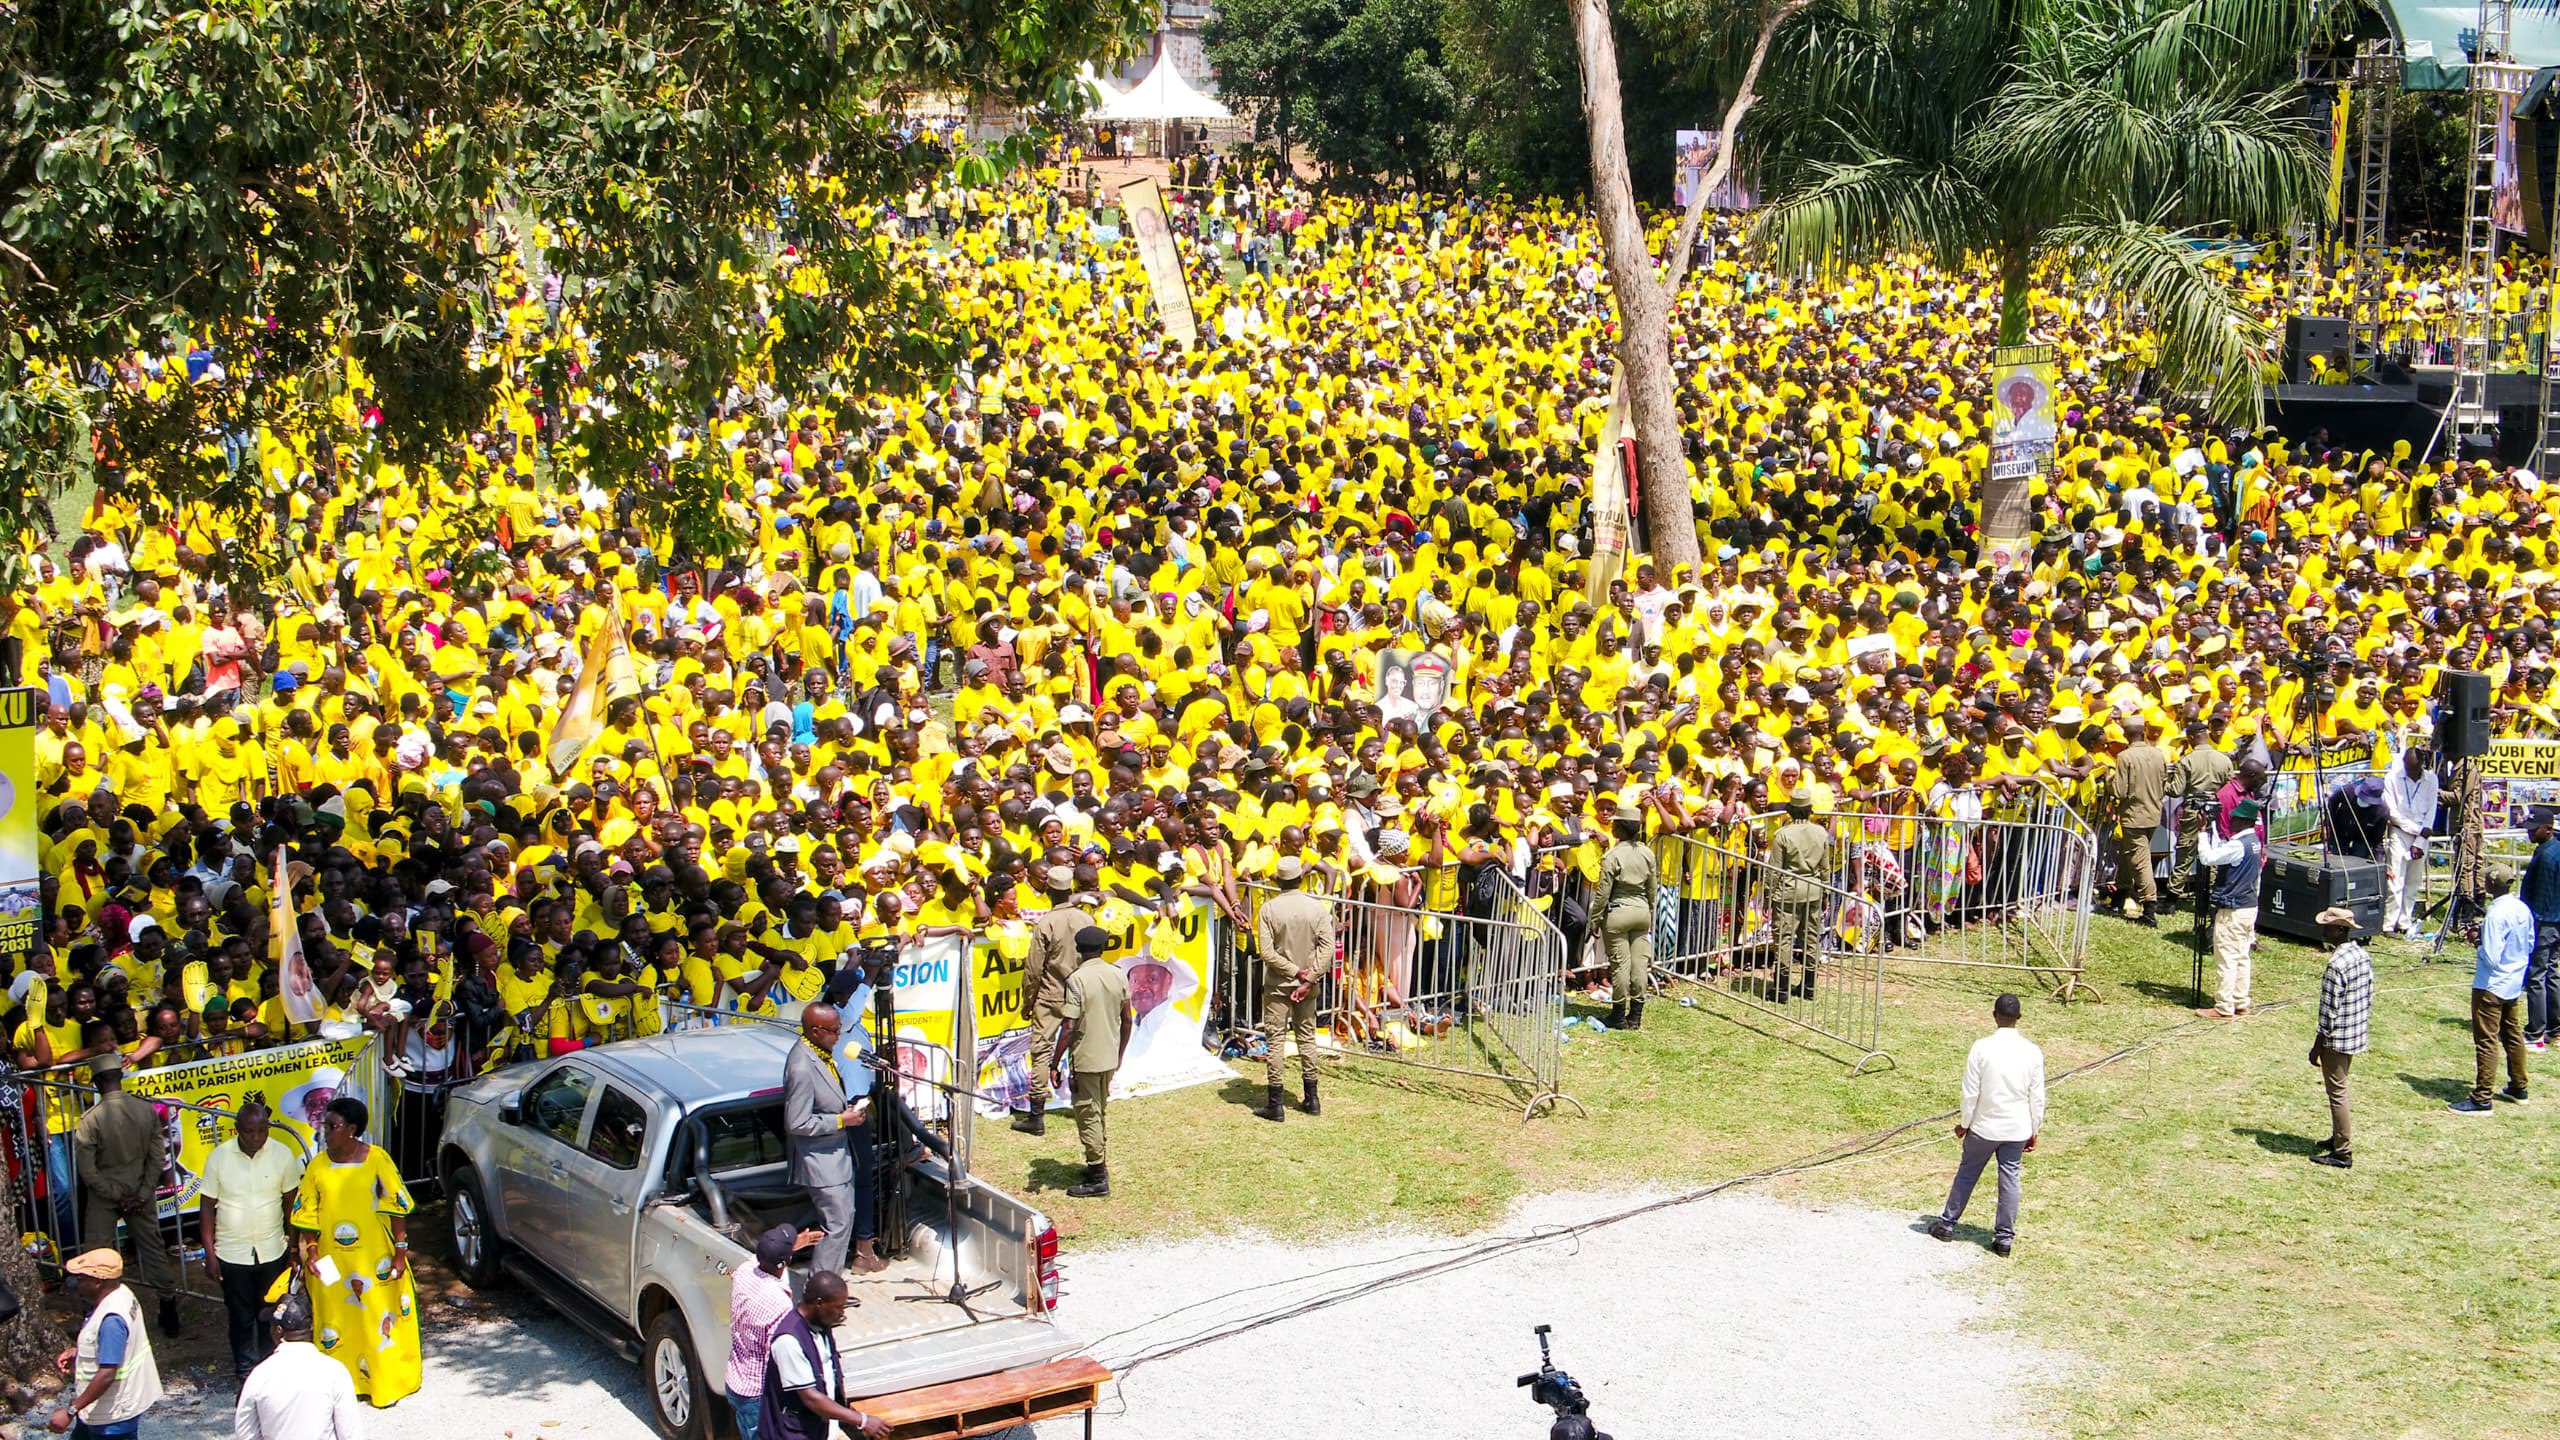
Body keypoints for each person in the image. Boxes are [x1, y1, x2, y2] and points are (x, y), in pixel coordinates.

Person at [288, 1096, 420, 1407]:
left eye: (332, 1126)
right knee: (336, 1320)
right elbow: (307, 1212)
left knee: (377, 1318)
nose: (325, 1132)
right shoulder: (318, 1165)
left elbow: (396, 1206)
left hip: (373, 1257)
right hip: (331, 1260)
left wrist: (400, 1252)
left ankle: (382, 1384)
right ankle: (339, 1388)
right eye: (324, 1125)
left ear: (352, 1129)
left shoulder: (376, 1159)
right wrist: (311, 1250)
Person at [1928, 994, 2045, 1257]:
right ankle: (2004, 1238)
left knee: (1968, 1173)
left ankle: (1947, 1224)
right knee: (2010, 1179)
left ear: (1994, 1016)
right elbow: (2036, 1096)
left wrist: (1964, 1123)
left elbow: (1970, 1091)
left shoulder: (1981, 1047)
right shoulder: (2032, 1051)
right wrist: (2034, 1129)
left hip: (1984, 1126)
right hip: (2016, 1127)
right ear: (2019, 1019)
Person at [71, 1052, 179, 1335]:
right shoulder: (146, 1110)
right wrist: (141, 1192)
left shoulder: (90, 1120)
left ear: (95, 1082)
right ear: (120, 1077)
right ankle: (169, 1309)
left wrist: (114, 1194)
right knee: (153, 1249)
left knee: (96, 1252)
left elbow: (87, 1169)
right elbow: (158, 1157)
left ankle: (94, 1311)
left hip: (105, 1195)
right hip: (140, 1191)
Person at [199, 1099, 302, 1381]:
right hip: (232, 1254)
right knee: (240, 1317)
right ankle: (246, 1374)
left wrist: (293, 1249)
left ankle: (270, 1371)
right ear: (237, 1130)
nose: (255, 1138)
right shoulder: (218, 1158)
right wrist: (209, 1254)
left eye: (261, 1131)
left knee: (269, 1314)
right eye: (248, 1132)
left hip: (273, 1251)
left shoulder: (282, 1155)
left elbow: (291, 1206)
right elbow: (206, 1207)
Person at [781, 1004, 880, 1275]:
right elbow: (797, 1122)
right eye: (835, 1030)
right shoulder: (802, 1066)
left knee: (842, 1223)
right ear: (815, 1031)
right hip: (820, 1162)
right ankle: (822, 1292)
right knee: (836, 1226)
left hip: (836, 1158)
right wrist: (841, 1121)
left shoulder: (819, 1053)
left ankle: (830, 1288)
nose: (839, 1035)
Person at [758, 1271, 890, 1440]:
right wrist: (862, 1420)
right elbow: (811, 1398)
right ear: (819, 1303)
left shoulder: (821, 1322)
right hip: (793, 1433)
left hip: (822, 1429)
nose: (842, 1313)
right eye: (839, 1307)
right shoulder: (789, 1340)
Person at [1011, 865, 1090, 1137]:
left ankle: (1036, 1115)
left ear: (1048, 891)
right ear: (1071, 890)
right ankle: (1082, 1103)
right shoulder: (1085, 919)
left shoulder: (1045, 923)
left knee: (1042, 1052)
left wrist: (1027, 1001)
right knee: (1079, 1049)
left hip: (1050, 994)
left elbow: (1033, 969)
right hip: (1080, 993)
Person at [1253, 856, 1333, 1123]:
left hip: (1278, 984)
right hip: (1307, 984)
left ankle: (1275, 1104)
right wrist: (1309, 978)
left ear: (1277, 880)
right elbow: (1327, 948)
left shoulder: (1268, 909)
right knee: (1307, 1038)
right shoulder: (1317, 908)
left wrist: (1292, 971)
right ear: (1301, 878)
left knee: (1275, 1041)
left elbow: (1266, 952)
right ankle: (1312, 1099)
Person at [52, 1248, 162, 1439]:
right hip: (100, 1410)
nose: (76, 1282)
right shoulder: (123, 1293)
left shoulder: (112, 1319)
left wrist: (70, 1411)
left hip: (112, 1418)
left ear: (97, 1282)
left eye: (81, 1278)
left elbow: (107, 1374)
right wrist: (81, 1352)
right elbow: (115, 1346)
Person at [1056, 925, 1132, 1198]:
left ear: (1078, 950)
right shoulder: (1117, 974)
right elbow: (1127, 1019)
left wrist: (1054, 1063)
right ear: (1103, 948)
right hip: (1109, 1055)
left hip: (1086, 1058)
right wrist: (1120, 1052)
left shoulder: (1076, 980)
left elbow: (1068, 1026)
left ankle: (1098, 1176)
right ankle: (1097, 1163)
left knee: (1088, 1114)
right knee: (1099, 1110)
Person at [231, 1290, 365, 1440]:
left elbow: (245, 1433)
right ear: (311, 1327)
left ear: (278, 1331)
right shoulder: (335, 1371)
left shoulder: (259, 1375)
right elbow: (350, 1433)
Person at [2453, 864, 2531, 1114]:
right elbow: (2529, 943)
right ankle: (2519, 1087)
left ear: (2489, 885)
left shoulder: (2496, 915)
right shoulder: (2521, 908)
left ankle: (2482, 1097)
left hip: (2491, 985)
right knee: (2513, 1035)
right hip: (2513, 982)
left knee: (2486, 1040)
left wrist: (2477, 941)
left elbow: (2491, 955)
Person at [725, 1225, 811, 1440]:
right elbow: (779, 1354)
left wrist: (792, 1246)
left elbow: (764, 1261)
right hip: (757, 1394)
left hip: (735, 1382)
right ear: (784, 1263)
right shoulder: (778, 1304)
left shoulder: (746, 1271)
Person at [2307, 906, 2372, 1170]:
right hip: (2355, 1032)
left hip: (2337, 1038)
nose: (2324, 930)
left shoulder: (2336, 965)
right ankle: (2337, 1137)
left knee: (2337, 1092)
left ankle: (2343, 1151)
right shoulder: (2361, 955)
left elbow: (2328, 1013)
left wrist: (2317, 1047)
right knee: (2340, 1087)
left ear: (2341, 930)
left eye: (2328, 926)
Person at [1769, 795, 1832, 1004]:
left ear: (1789, 809)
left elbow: (1775, 870)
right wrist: (1826, 892)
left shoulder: (1782, 835)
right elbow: (1825, 867)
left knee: (1785, 939)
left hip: (1789, 891)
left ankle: (1781, 989)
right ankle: (1809, 986)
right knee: (1811, 938)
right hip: (1814, 889)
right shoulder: (1820, 833)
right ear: (1809, 810)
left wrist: (1769, 894)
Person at [1595, 812, 1656, 1029]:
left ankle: (1618, 1016)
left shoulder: (1612, 856)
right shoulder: (1648, 853)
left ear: (1618, 829)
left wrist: (1595, 919)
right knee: (1640, 964)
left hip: (1618, 912)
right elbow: (1652, 887)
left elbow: (1603, 893)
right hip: (1641, 912)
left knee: (1620, 964)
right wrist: (1649, 909)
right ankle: (1636, 1016)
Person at [2206, 802, 2265, 1019]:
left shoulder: (2239, 845)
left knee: (2226, 957)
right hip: (2249, 906)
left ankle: (2223, 1005)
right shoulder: (2254, 842)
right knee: (2241, 955)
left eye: (2234, 818)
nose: (2230, 822)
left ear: (2243, 821)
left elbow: (2209, 858)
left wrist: (2203, 835)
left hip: (2233, 908)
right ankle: (2240, 1000)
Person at [2108, 722, 2168, 925]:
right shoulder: (2159, 755)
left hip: (2134, 816)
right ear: (2143, 733)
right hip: (2153, 813)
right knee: (2130, 855)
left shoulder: (2125, 757)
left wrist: (2109, 779)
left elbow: (2119, 791)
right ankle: (2120, 893)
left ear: (2125, 735)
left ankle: (2149, 908)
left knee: (2140, 861)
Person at [2167, 723, 2234, 903]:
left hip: (2193, 809)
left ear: (2190, 738)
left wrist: (2163, 781)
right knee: (2213, 850)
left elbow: (2175, 790)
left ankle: (2172, 897)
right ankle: (2210, 893)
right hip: (2215, 809)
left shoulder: (2187, 761)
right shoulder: (2224, 760)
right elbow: (2230, 787)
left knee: (2185, 853)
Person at [2380, 746, 2441, 936]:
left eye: (2414, 768)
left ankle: (2404, 922)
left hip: (2423, 835)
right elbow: (2392, 812)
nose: (2410, 772)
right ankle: (2389, 924)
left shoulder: (2431, 779)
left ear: (2422, 765)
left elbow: (2431, 810)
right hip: (2400, 832)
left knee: (2413, 880)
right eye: (2408, 767)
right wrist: (2417, 831)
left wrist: (2421, 839)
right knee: (2395, 880)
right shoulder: (2392, 778)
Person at [2519, 814, 2560, 1050]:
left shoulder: (2545, 855)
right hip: (2556, 922)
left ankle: (2535, 1032)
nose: (2529, 834)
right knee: (2552, 974)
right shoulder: (2554, 848)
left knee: (2536, 976)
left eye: (2533, 830)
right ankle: (2556, 1030)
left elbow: (2540, 897)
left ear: (2548, 829)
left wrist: (2532, 924)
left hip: (2545, 923)